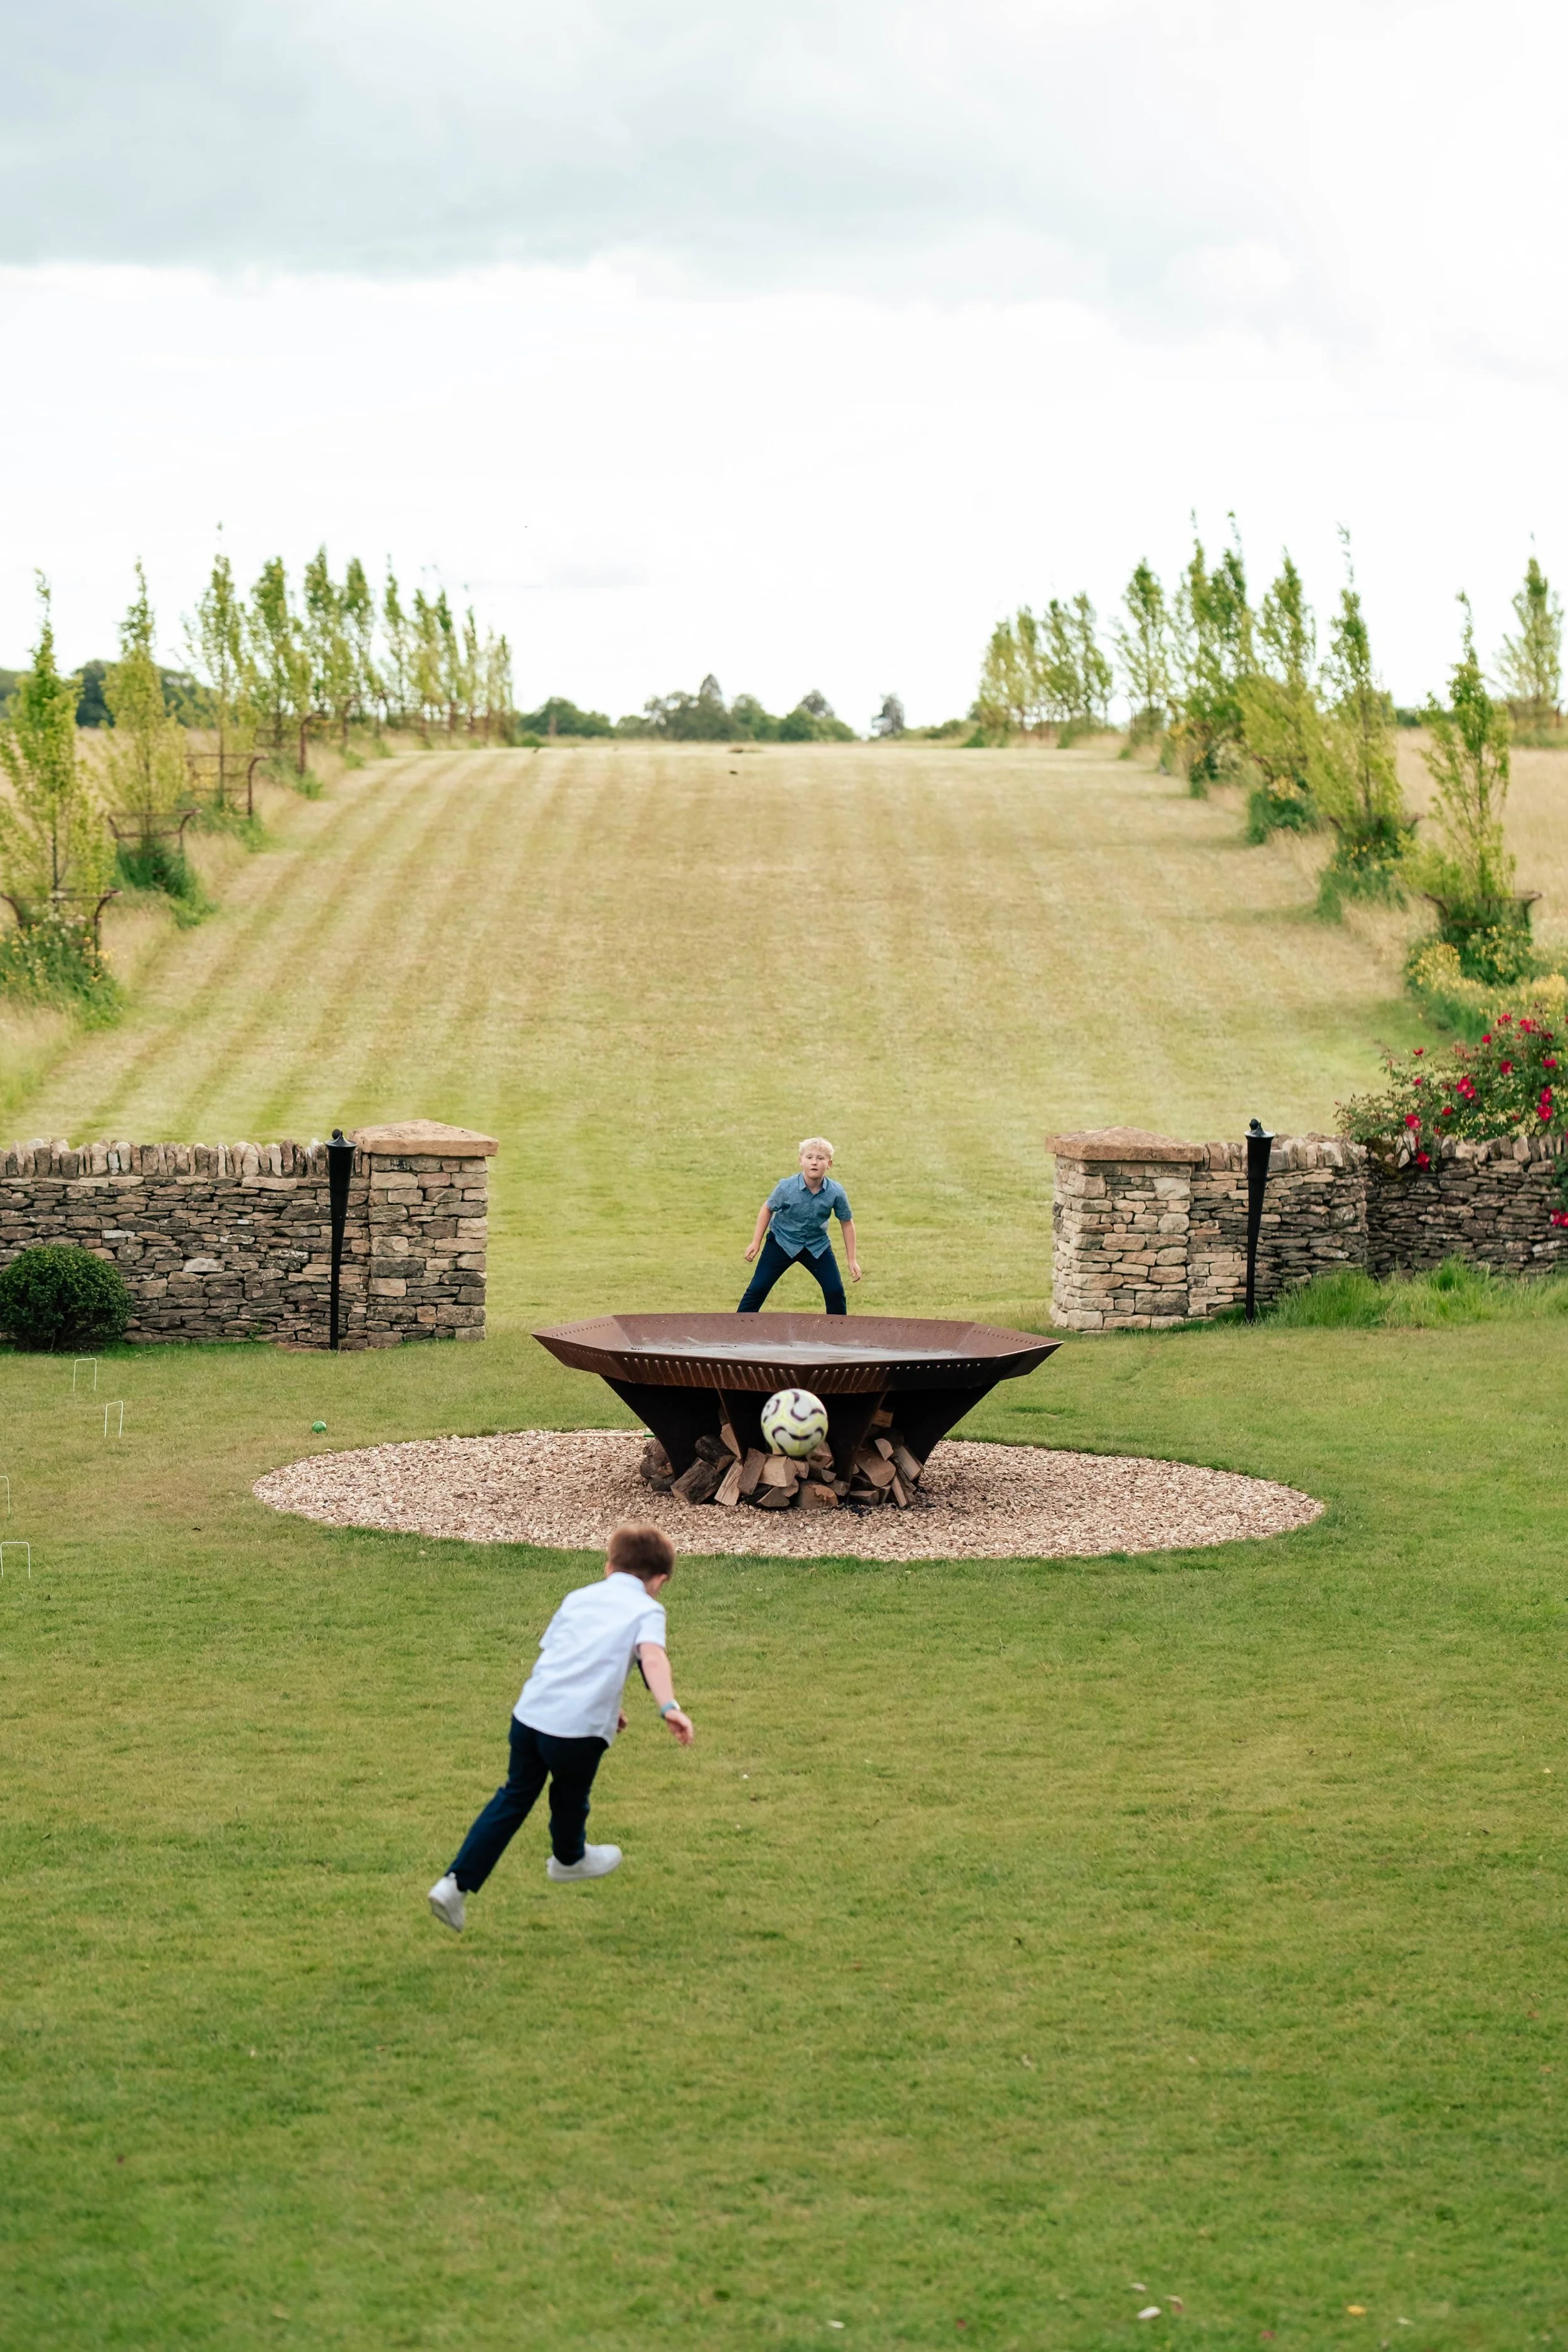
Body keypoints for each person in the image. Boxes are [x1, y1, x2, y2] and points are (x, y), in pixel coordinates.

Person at [427, 1524, 694, 1931]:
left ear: (609, 1567)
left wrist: (610, 1705)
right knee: (570, 1797)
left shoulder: (578, 1598)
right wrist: (669, 1706)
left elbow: (567, 1655)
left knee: (513, 1799)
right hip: (576, 1731)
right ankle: (569, 1860)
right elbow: (651, 1657)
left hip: (531, 1716)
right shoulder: (647, 1609)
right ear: (659, 1581)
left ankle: (454, 1884)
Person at [738, 1136, 862, 1316]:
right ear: (800, 1161)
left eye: (820, 1158)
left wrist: (852, 1259)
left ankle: (838, 1336)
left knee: (835, 1291)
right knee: (758, 1288)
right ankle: (738, 1330)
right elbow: (767, 1208)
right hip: (782, 1242)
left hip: (816, 1246)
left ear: (829, 1164)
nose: (814, 1163)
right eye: (810, 1158)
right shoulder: (786, 1188)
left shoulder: (836, 1192)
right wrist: (756, 1242)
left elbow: (847, 1223)